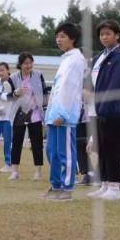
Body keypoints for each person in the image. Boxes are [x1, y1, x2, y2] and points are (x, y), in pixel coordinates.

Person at [87, 20, 120, 201]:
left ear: (117, 35)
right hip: (99, 109)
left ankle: (115, 187)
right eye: (101, 34)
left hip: (114, 110)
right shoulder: (101, 56)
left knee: (114, 148)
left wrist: (104, 106)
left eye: (108, 34)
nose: (104, 37)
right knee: (103, 148)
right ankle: (105, 183)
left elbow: (115, 85)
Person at [42, 23, 86, 201]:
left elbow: (70, 89)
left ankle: (67, 188)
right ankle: (55, 185)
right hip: (54, 114)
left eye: (62, 36)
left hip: (64, 115)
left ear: (72, 39)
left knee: (65, 152)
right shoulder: (66, 59)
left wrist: (63, 114)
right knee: (52, 151)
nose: (58, 40)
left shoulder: (76, 60)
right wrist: (51, 113)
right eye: (57, 36)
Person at [10, 52, 47, 182]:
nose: (28, 65)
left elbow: (44, 92)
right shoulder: (13, 77)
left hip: (35, 113)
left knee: (37, 143)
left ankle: (38, 172)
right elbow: (8, 96)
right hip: (18, 113)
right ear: (20, 65)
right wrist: (15, 93)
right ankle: (14, 171)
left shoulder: (38, 75)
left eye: (30, 63)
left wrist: (44, 109)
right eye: (25, 63)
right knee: (16, 142)